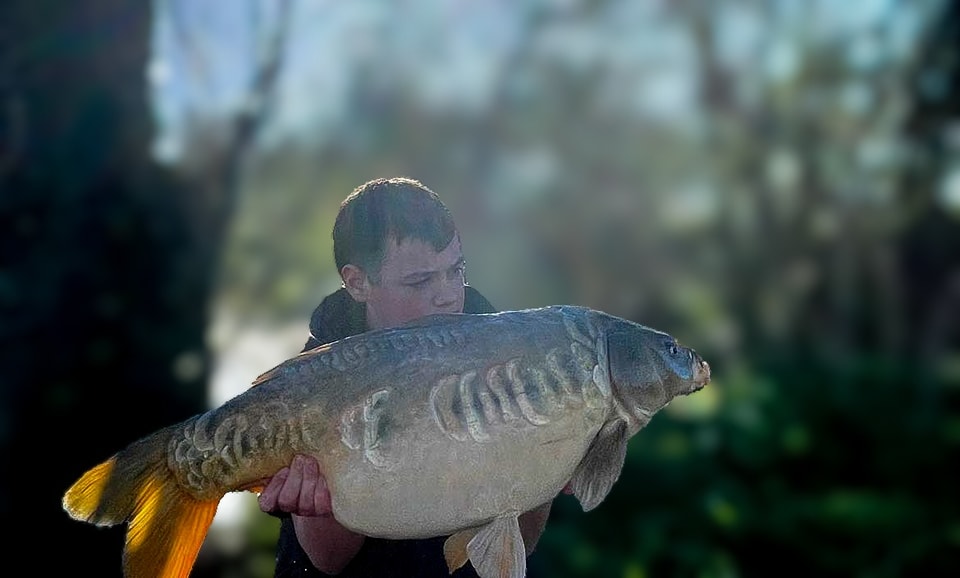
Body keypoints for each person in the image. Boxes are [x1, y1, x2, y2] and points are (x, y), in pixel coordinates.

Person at [257, 177, 557, 577]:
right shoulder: (309, 386)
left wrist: (548, 469)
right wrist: (317, 506)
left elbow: (521, 543)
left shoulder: (508, 363)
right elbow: (328, 560)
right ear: (357, 282)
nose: (448, 295)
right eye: (420, 281)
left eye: (456, 271)